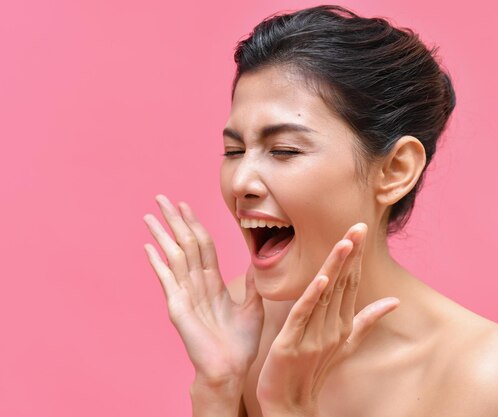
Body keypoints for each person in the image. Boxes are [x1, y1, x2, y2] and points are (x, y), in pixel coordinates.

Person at [142, 5, 498, 417]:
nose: (240, 181)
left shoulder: (480, 377)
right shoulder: (237, 324)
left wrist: (289, 408)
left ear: (395, 170)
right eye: (234, 151)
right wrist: (218, 388)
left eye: (284, 150)